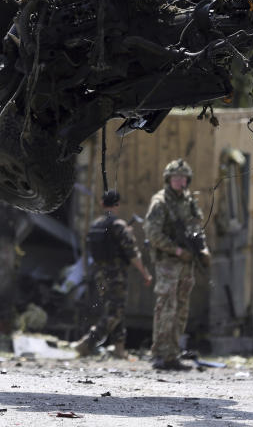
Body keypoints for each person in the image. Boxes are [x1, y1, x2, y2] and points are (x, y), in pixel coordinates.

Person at [143, 158, 210, 371]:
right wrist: (177, 250)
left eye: (183, 178)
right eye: (175, 178)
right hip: (168, 263)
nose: (180, 181)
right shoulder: (160, 202)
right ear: (168, 179)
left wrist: (203, 249)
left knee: (181, 309)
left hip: (187, 264)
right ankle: (159, 354)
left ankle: (172, 354)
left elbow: (196, 228)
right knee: (166, 307)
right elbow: (152, 233)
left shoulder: (188, 201)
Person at [74, 190, 152, 358]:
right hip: (116, 274)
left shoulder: (96, 225)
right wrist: (144, 273)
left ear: (102, 204)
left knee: (116, 309)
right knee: (115, 312)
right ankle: (88, 342)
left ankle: (119, 349)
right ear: (117, 205)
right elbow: (133, 253)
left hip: (100, 274)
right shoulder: (119, 225)